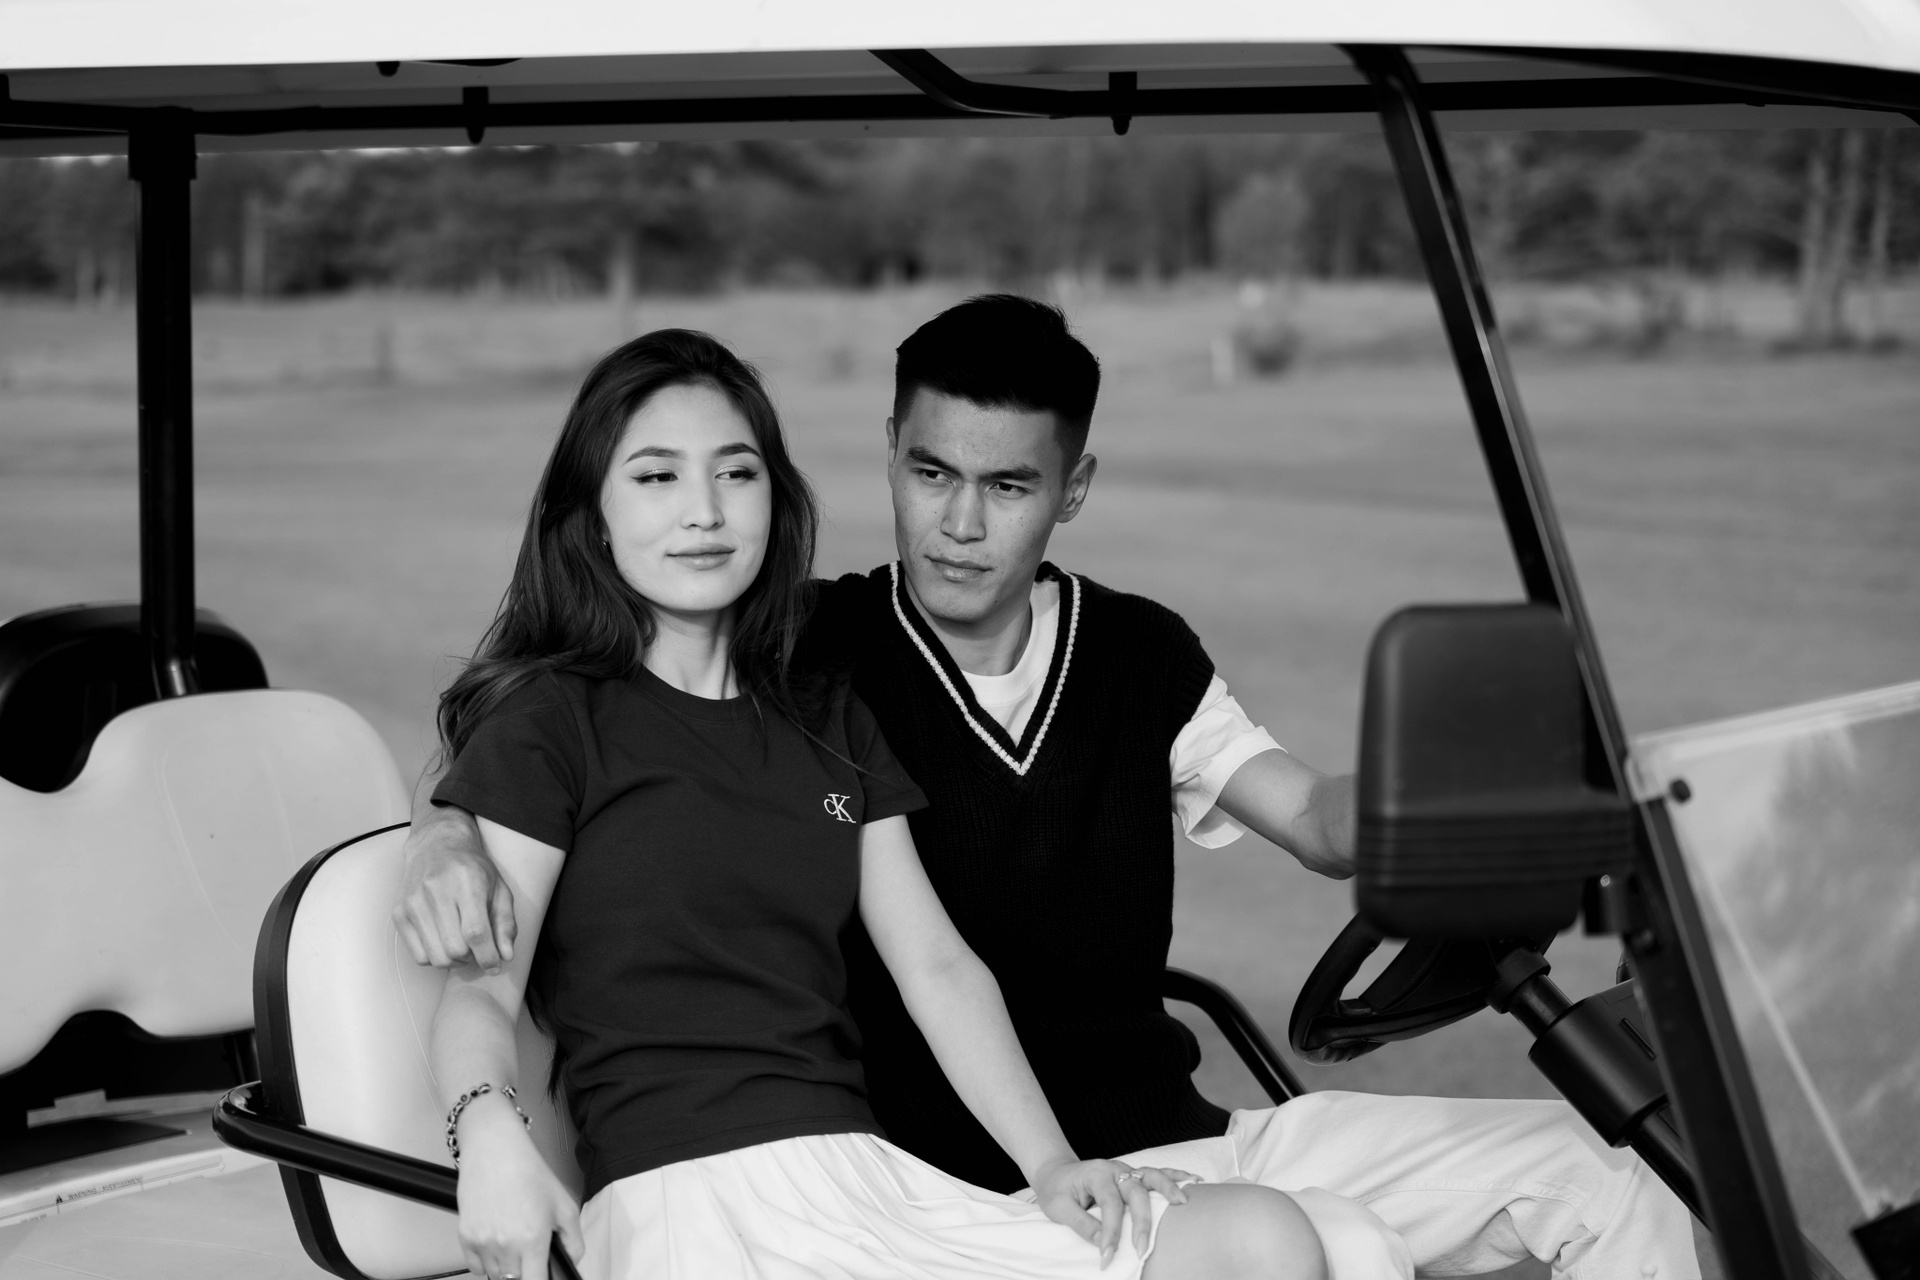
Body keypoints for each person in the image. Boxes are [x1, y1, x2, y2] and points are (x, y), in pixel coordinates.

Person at [400, 300, 1699, 1280]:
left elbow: (1308, 824)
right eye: (932, 475)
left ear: (1072, 489)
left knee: (1606, 1162)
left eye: (1008, 485)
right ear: (888, 458)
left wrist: (1503, 790)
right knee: (1332, 1247)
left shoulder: (1047, 667)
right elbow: (526, 766)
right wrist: (441, 835)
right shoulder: (812, 648)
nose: (962, 525)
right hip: (864, 1179)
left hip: (1097, 1143)